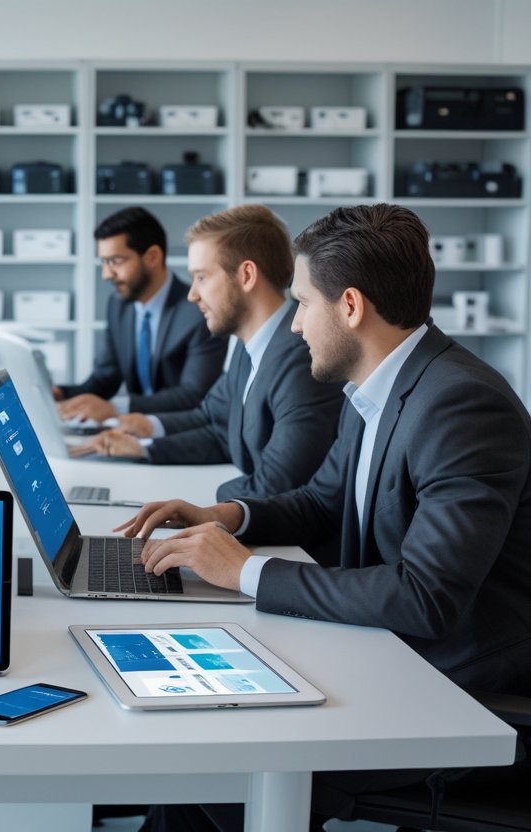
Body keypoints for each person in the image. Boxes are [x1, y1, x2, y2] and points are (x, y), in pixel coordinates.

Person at [119, 204, 531, 831]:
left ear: (351, 307)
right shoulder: (375, 385)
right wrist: (226, 516)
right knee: (198, 735)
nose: (291, 326)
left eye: (304, 303)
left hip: (455, 683)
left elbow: (427, 599)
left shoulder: (461, 404)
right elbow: (322, 501)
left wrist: (247, 573)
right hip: (385, 647)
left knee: (226, 756)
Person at [73, 205, 343, 502]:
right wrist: (144, 446)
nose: (192, 295)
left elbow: (275, 485)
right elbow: (216, 425)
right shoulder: (250, 345)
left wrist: (200, 501)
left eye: (201, 277)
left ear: (247, 275)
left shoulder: (300, 357)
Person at [54, 206, 227, 421]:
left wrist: (116, 407)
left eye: (116, 261)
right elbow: (106, 377)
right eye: (104, 262)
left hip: (182, 432)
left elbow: (193, 395)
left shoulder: (198, 311)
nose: (107, 274)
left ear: (152, 256)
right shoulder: (118, 305)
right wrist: (61, 394)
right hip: (131, 429)